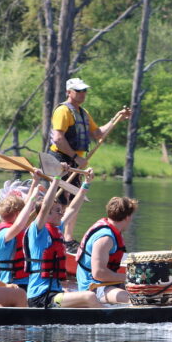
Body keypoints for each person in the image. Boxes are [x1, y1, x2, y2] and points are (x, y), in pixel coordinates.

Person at [48, 77, 130, 246]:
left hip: (75, 161)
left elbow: (98, 133)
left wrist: (116, 119)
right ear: (69, 92)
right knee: (62, 200)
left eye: (84, 90)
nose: (82, 94)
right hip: (61, 159)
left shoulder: (83, 113)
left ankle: (67, 238)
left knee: (75, 199)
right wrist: (75, 156)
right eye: (78, 91)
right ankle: (56, 235)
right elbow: (58, 139)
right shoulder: (63, 111)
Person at [25, 172, 100, 308]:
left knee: (87, 299)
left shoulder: (57, 228)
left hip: (54, 294)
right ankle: (110, 321)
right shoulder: (37, 231)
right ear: (46, 214)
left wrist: (86, 183)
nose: (61, 213)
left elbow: (72, 208)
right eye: (58, 211)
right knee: (89, 296)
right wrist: (56, 179)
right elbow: (45, 207)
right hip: (40, 297)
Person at [76, 196, 138, 305]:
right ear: (128, 217)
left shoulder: (111, 232)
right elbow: (98, 273)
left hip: (105, 284)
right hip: (93, 286)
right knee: (135, 300)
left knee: (146, 291)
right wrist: (128, 277)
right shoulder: (105, 238)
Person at [0, 181, 40, 290]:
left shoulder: (11, 229)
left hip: (26, 282)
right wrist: (33, 198)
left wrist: (35, 181)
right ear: (18, 214)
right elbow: (19, 223)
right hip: (14, 284)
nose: (27, 214)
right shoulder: (5, 233)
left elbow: (25, 208)